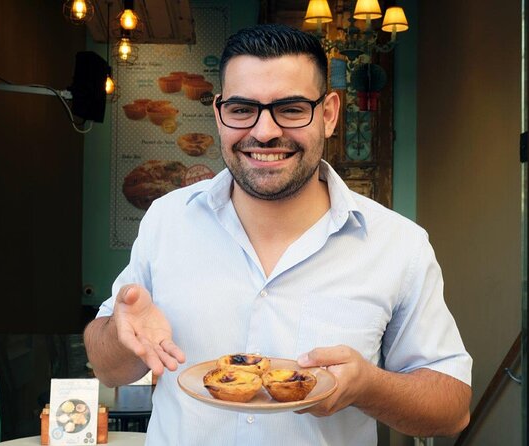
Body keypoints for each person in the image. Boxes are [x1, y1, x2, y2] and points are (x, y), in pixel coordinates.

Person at [84, 23, 472, 445]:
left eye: (290, 109)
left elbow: (451, 410)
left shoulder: (399, 245)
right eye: (241, 109)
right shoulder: (167, 219)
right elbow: (108, 368)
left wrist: (369, 387)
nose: (264, 131)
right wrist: (122, 339)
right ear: (219, 114)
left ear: (328, 115)